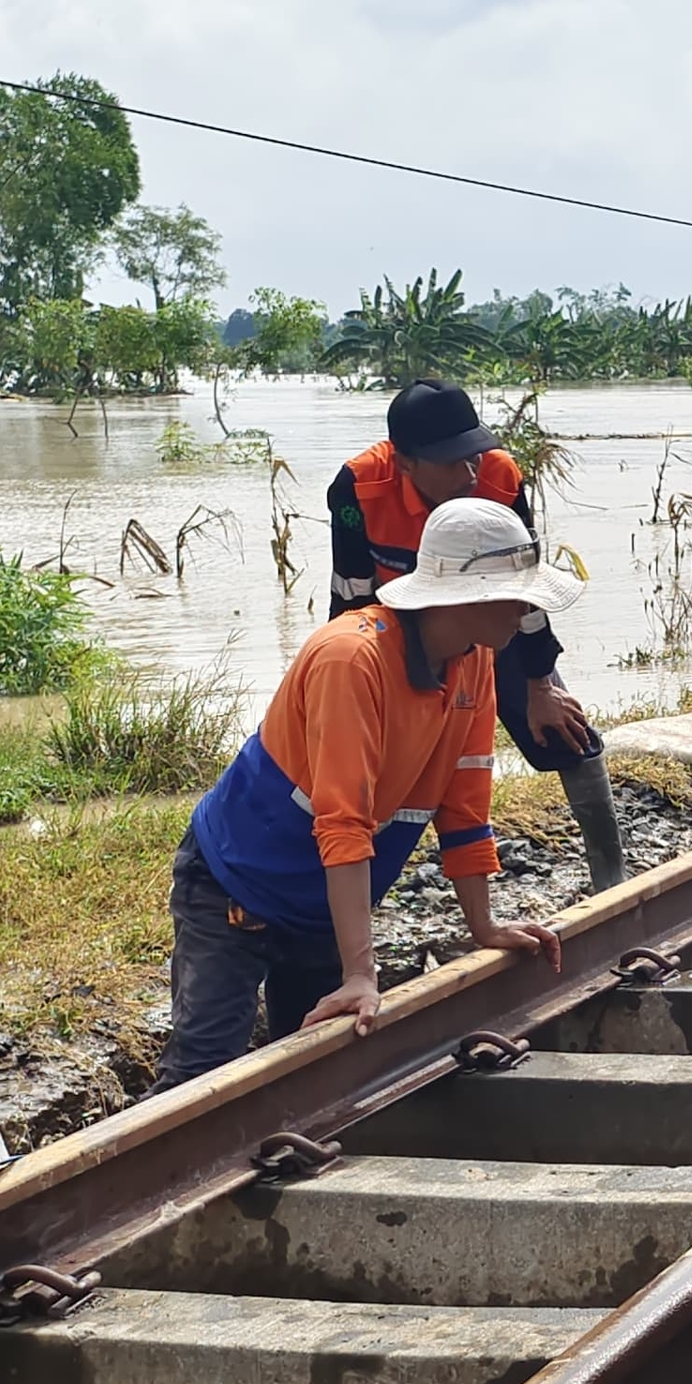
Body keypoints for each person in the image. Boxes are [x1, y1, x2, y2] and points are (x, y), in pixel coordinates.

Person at [159, 496, 575, 1079]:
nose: (528, 610)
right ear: (469, 596)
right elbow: (343, 819)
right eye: (518, 595)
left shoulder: (472, 660)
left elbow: (463, 805)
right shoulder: (351, 659)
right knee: (203, 1071)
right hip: (238, 885)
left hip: (324, 901)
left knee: (319, 1065)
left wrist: (482, 926)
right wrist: (362, 970)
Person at [330, 380, 626, 890]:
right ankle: (351, 892)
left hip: (489, 615)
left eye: (473, 453)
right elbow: (352, 596)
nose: (469, 472)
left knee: (566, 731)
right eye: (450, 461)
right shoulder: (356, 489)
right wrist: (362, 686)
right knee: (366, 765)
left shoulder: (499, 476)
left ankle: (613, 880)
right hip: (403, 625)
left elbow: (523, 585)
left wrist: (540, 685)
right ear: (403, 463)